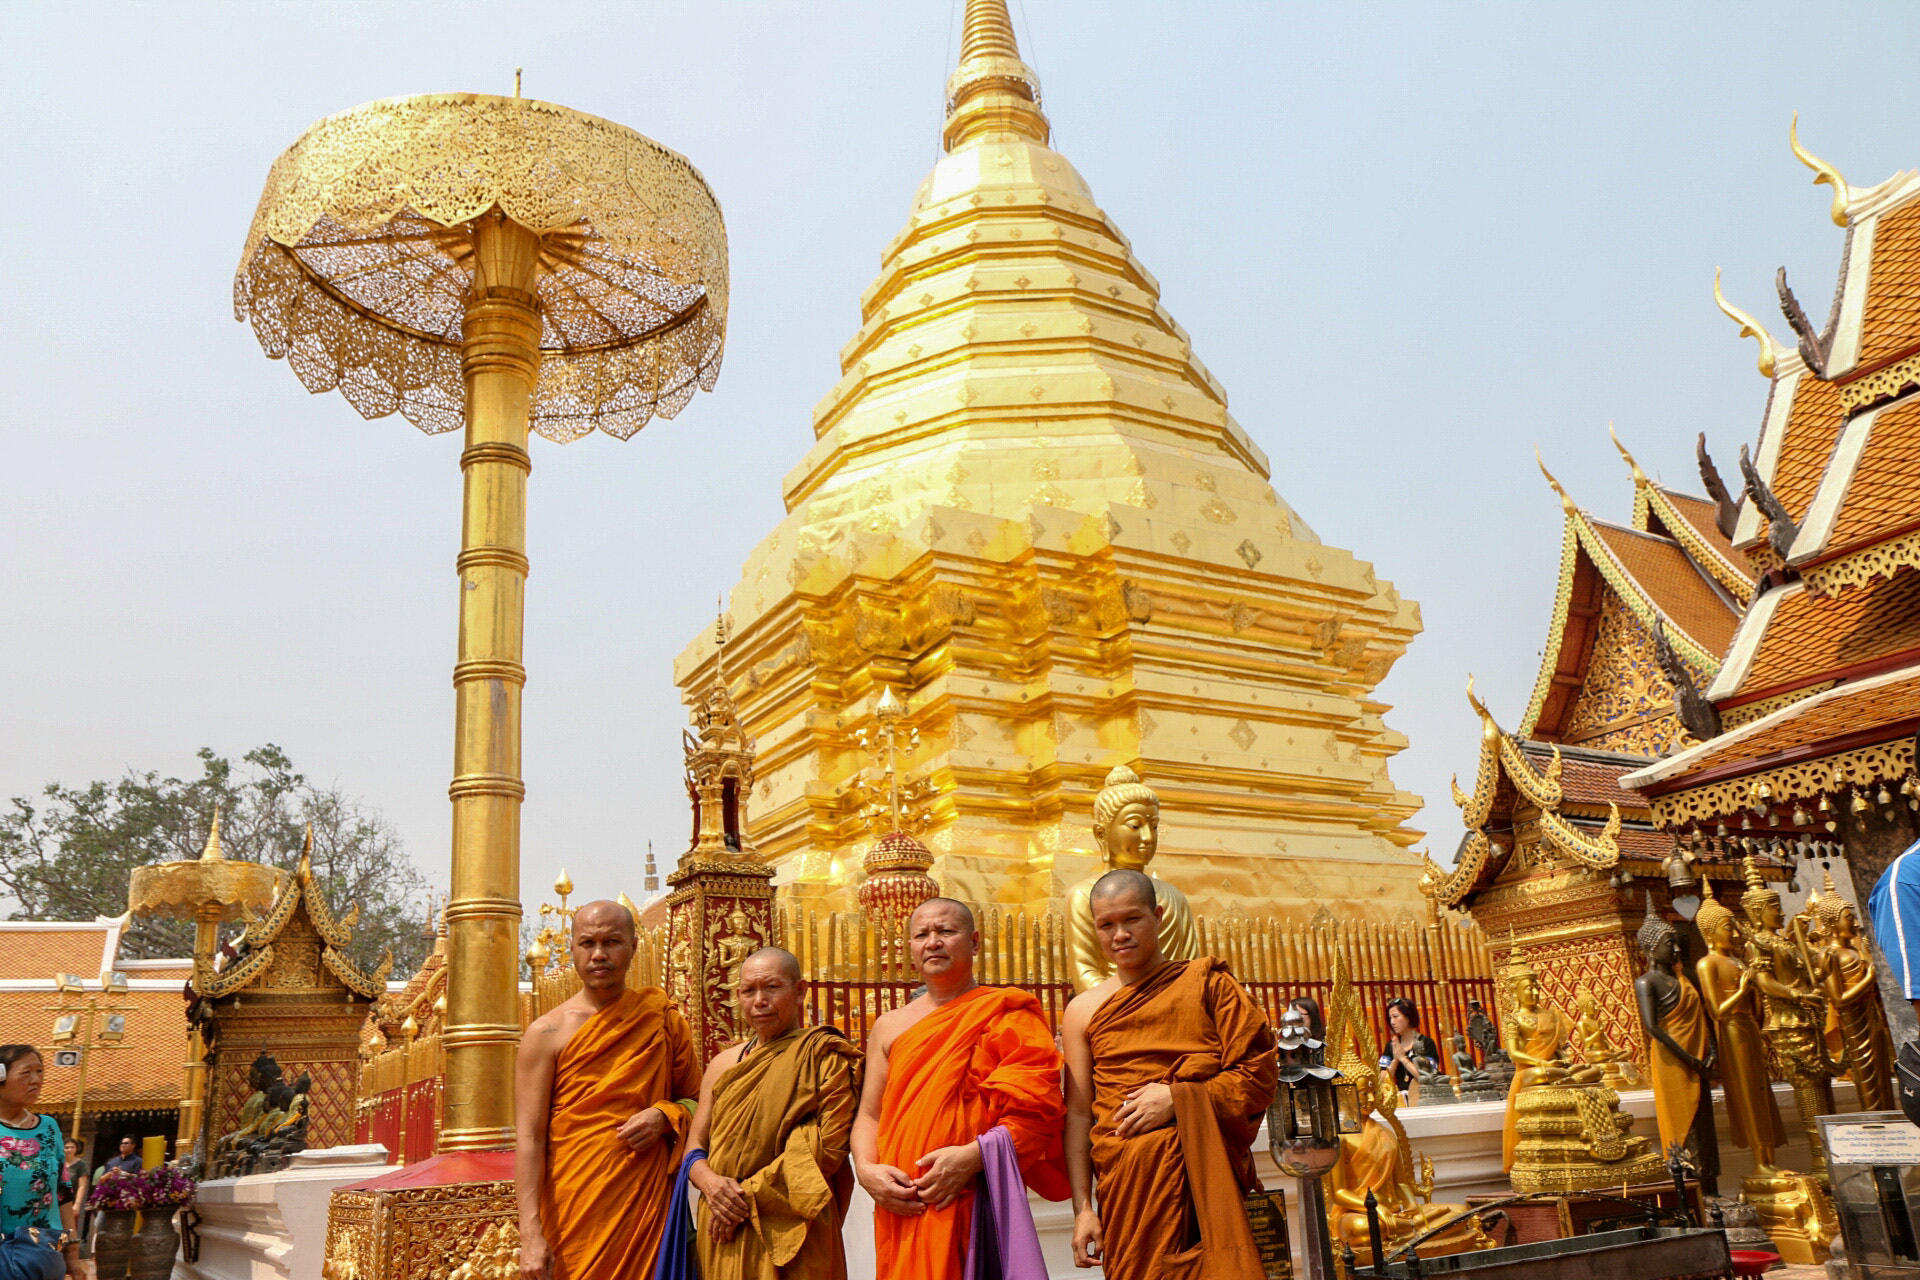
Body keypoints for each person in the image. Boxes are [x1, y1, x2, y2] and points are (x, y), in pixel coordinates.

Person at [1063, 869, 1277, 1279]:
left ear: (1158, 916)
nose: (1119, 934)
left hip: (1200, 1181)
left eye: (1132, 919)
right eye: (1106, 925)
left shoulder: (1208, 985)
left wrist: (1178, 1100)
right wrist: (1083, 1208)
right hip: (1127, 1189)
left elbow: (1258, 1076)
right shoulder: (1082, 1010)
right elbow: (1077, 1112)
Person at [851, 897, 1069, 1279]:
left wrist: (972, 1157)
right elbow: (870, 1113)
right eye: (922, 934)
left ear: (974, 942)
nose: (933, 941)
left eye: (946, 931)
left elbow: (1036, 1112)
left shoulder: (1007, 1013)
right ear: (911, 951)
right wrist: (867, 1172)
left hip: (970, 1193)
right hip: (902, 1203)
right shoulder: (890, 1026)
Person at [514, 900, 700, 1280]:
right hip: (575, 1206)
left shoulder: (662, 1019)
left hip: (646, 1204)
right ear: (572, 950)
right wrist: (530, 1233)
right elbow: (529, 1137)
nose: (599, 954)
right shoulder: (546, 1034)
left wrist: (664, 1116)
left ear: (633, 947)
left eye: (612, 942)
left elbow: (699, 1103)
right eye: (587, 943)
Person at [684, 947, 862, 1280]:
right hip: (724, 1226)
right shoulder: (724, 1064)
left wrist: (741, 1200)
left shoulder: (825, 1057)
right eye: (748, 991)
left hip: (793, 1225)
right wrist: (709, 1184)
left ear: (800, 991)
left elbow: (824, 1150)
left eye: (772, 987)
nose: (759, 1000)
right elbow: (694, 1146)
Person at [0, 1045, 76, 1276]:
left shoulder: (49, 1128)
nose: (37, 1080)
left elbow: (63, 1194)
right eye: (26, 1072)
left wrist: (73, 1254)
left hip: (42, 1256)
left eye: (40, 1071)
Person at [1379, 998, 1438, 1102]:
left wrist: (1403, 1059)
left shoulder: (1426, 1043)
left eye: (1396, 1017)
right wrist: (1395, 1060)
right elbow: (1382, 1080)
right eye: (1390, 1018)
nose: (1392, 1022)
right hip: (1401, 1101)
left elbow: (1427, 1078)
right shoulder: (1391, 1045)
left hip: (1425, 1099)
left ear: (1408, 1017)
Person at [57, 1139, 83, 1237]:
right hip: (55, 1201)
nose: (69, 1150)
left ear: (76, 1149)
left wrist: (77, 1204)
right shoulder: (58, 1162)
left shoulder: (80, 1164)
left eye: (72, 1147)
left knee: (69, 1231)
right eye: (67, 1147)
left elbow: (82, 1186)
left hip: (70, 1202)